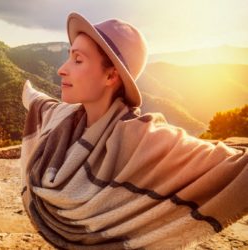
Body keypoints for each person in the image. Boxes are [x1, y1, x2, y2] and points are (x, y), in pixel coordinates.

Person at [20, 12, 248, 250]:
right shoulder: (63, 121)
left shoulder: (147, 139)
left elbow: (234, 169)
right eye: (69, 57)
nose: (61, 70)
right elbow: (39, 101)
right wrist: (28, 92)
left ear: (111, 75)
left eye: (77, 60)